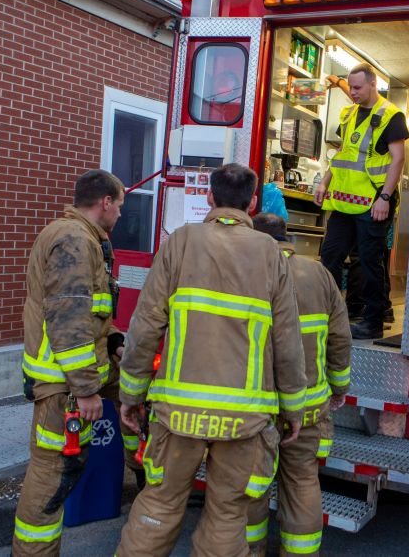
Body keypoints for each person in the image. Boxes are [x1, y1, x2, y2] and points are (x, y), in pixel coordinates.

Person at [116, 163, 307, 557]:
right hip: (244, 419)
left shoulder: (180, 242)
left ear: (209, 197)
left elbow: (145, 326)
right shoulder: (271, 254)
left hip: (178, 414)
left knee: (159, 505)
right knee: (227, 515)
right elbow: (288, 341)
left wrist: (131, 394)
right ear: (252, 203)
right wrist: (293, 407)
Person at [13, 169, 141, 556]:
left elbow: (92, 313)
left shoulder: (86, 238)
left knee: (136, 398)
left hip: (79, 374)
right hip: (63, 386)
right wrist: (85, 390)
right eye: (120, 205)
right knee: (53, 475)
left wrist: (114, 340)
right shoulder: (73, 240)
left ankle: (147, 485)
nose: (121, 213)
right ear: (105, 202)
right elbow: (68, 321)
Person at [245, 213, 351, 557]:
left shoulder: (247, 272)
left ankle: (251, 549)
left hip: (258, 405)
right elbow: (340, 339)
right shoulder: (319, 274)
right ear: (286, 237)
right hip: (307, 405)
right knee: (303, 482)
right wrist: (338, 387)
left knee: (252, 484)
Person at [314, 63, 409, 340]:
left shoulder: (391, 116)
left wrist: (385, 197)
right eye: (350, 87)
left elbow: (398, 159)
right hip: (344, 201)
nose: (352, 92)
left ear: (372, 84)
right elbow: (343, 153)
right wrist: (324, 181)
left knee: (369, 262)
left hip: (373, 201)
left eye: (357, 87)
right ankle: (329, 312)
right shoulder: (349, 113)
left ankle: (373, 321)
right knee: (330, 255)